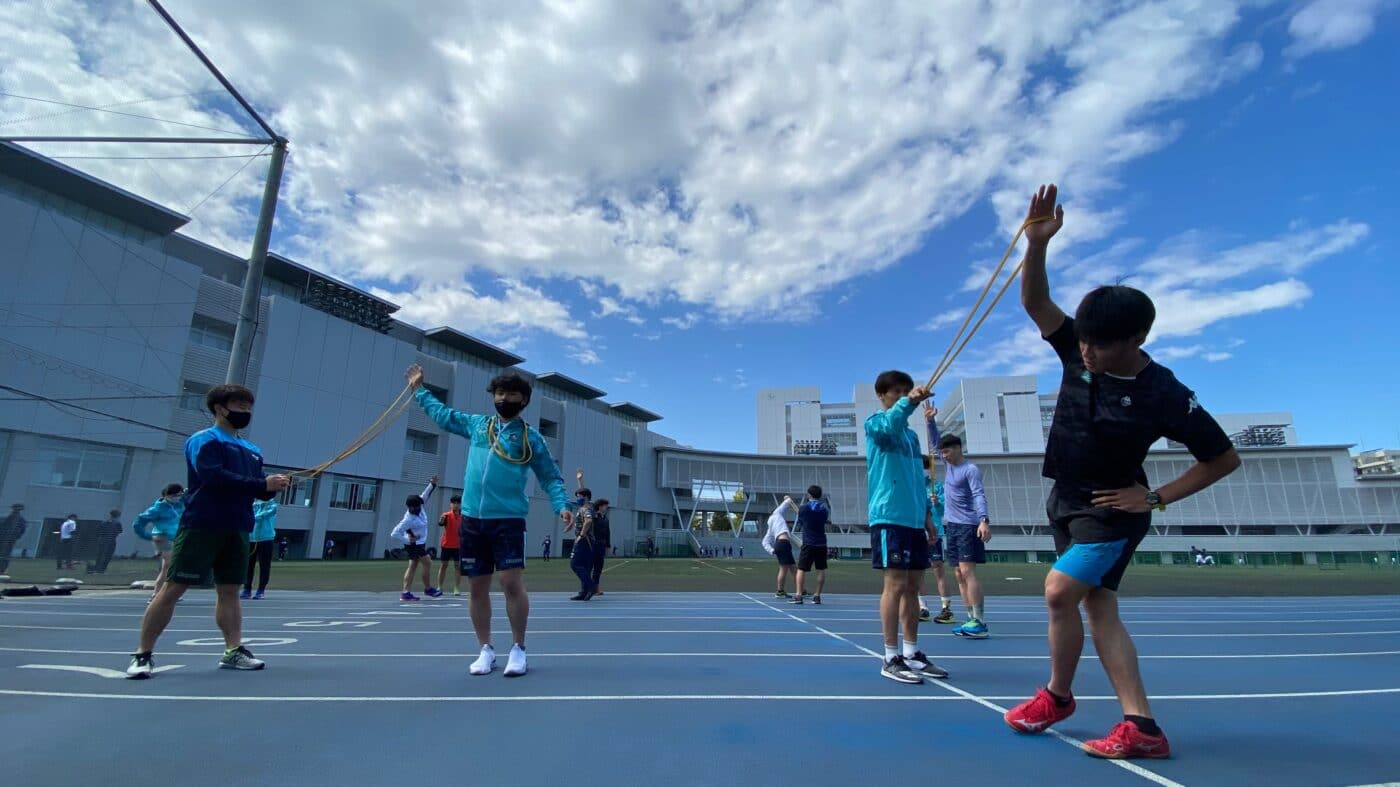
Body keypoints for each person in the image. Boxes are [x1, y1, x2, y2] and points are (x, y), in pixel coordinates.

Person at [1003, 183, 1241, 759]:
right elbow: (1036, 305)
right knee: (1096, 606)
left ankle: (1061, 698)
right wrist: (1036, 245)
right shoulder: (1077, 351)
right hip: (1064, 496)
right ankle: (1140, 727)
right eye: (1082, 342)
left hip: (1112, 509)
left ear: (1137, 339)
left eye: (1101, 347)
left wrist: (1155, 498)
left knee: (1059, 591)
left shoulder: (1165, 394)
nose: (1086, 354)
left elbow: (1223, 457)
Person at [408, 364, 573, 678]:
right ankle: (485, 649)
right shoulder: (478, 426)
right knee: (477, 586)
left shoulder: (531, 439)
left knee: (511, 582)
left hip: (507, 520)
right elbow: (443, 415)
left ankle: (518, 649)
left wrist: (561, 505)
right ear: (493, 397)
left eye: (511, 394)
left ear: (523, 400)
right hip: (472, 520)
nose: (504, 398)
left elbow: (550, 476)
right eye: (499, 393)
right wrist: (419, 389)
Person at [126, 384, 292, 678]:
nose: (246, 412)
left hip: (238, 527)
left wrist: (273, 486)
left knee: (230, 591)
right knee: (173, 589)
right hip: (203, 524)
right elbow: (213, 478)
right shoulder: (203, 440)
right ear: (219, 408)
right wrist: (260, 484)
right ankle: (143, 653)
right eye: (239, 406)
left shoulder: (252, 451)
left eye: (248, 407)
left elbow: (255, 490)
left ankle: (233, 650)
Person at [865, 370, 947, 684]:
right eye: (895, 392)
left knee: (914, 587)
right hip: (889, 517)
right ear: (882, 395)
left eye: (905, 391)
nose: (901, 396)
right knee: (895, 585)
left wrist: (927, 520)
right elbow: (891, 424)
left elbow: (917, 481)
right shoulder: (876, 424)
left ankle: (911, 653)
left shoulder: (913, 440)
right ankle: (890, 656)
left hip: (913, 520)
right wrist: (909, 403)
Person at [939, 434, 992, 639]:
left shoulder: (970, 470)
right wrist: (930, 423)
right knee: (958, 574)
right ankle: (970, 618)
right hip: (952, 525)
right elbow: (934, 439)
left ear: (958, 448)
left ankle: (980, 621)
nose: (944, 456)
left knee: (967, 572)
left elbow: (979, 494)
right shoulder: (949, 466)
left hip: (968, 525)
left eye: (947, 451)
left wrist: (984, 520)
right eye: (942, 452)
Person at [918, 403, 956, 625]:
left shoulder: (936, 485)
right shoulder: (913, 484)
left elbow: (942, 510)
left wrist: (937, 501)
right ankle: (922, 606)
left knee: (937, 569)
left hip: (936, 532)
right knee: (919, 571)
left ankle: (946, 606)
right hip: (918, 532)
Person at [391, 476, 442, 601]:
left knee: (413, 565)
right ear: (412, 507)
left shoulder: (419, 505)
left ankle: (406, 592)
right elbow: (395, 533)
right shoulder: (408, 519)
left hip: (420, 542)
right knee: (427, 562)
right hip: (415, 545)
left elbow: (425, 495)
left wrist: (432, 484)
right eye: (419, 505)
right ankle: (428, 588)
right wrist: (408, 540)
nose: (421, 505)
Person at [132, 484, 184, 602]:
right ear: (167, 495)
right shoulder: (158, 508)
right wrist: (149, 536)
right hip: (162, 538)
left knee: (175, 566)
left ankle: (170, 592)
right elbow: (138, 523)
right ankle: (156, 594)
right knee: (168, 565)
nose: (177, 498)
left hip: (176, 538)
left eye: (179, 495)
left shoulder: (179, 504)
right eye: (175, 495)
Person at [790, 485, 830, 605]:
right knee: (820, 569)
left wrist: (790, 502)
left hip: (808, 542)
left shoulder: (804, 508)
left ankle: (798, 595)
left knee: (801, 569)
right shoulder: (824, 509)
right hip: (821, 542)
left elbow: (800, 515)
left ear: (809, 495)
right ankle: (817, 596)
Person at [241, 498, 278, 599]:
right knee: (248, 565)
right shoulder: (251, 501)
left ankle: (261, 590)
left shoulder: (271, 502)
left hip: (266, 538)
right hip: (251, 538)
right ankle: (246, 589)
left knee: (264, 565)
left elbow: (271, 511)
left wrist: (256, 516)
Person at [761, 496, 797, 598]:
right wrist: (788, 498)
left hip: (782, 544)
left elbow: (765, 542)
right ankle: (780, 591)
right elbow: (786, 503)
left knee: (794, 569)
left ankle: (801, 590)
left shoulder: (771, 526)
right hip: (783, 544)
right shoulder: (777, 513)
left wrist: (772, 550)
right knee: (784, 569)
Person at [567, 486, 598, 601]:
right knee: (586, 566)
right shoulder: (588, 507)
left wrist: (581, 535)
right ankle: (584, 591)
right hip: (589, 541)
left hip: (585, 541)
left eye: (579, 496)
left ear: (585, 497)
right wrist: (580, 481)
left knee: (575, 564)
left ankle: (592, 587)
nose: (577, 499)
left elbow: (588, 521)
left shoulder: (585, 509)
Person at [436, 494, 465, 595]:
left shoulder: (463, 516)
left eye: (458, 503)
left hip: (458, 546)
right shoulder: (446, 515)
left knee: (457, 566)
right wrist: (441, 520)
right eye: (454, 503)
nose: (456, 505)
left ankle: (456, 588)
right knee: (444, 565)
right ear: (450, 504)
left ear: (460, 504)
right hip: (446, 545)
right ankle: (439, 587)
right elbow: (440, 523)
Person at [88, 510, 122, 574]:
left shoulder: (103, 522)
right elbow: (119, 531)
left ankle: (97, 568)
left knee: (100, 555)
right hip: (111, 541)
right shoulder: (117, 523)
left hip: (102, 540)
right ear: (117, 516)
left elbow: (98, 531)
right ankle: (102, 569)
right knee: (108, 556)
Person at [589, 499, 612, 596]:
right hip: (593, 545)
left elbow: (608, 533)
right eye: (605, 505)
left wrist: (608, 545)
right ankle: (587, 588)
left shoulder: (605, 518)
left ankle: (595, 588)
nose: (606, 507)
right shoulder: (594, 517)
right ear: (600, 506)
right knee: (589, 567)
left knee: (598, 568)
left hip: (601, 546)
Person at [0, 503, 26, 574]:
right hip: (3, 539)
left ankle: (2, 570)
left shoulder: (20, 520)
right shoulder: (8, 519)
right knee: (4, 554)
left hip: (10, 540)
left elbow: (22, 530)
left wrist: (15, 536)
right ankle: (2, 569)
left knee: (5, 555)